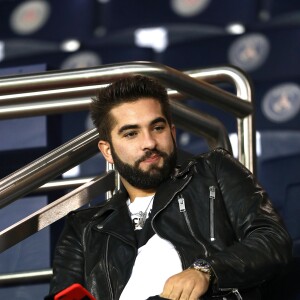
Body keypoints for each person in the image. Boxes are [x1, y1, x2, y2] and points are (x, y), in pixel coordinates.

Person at [48, 75, 292, 300]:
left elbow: (272, 240)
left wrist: (207, 271)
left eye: (157, 128)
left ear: (172, 132)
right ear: (108, 151)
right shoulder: (85, 228)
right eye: (131, 134)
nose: (150, 143)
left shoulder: (213, 171)